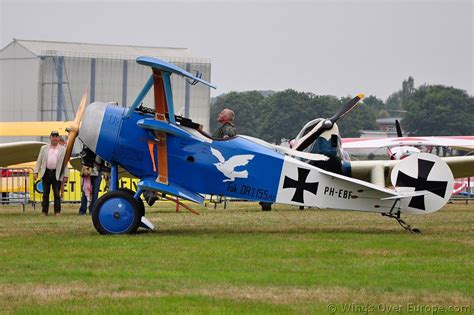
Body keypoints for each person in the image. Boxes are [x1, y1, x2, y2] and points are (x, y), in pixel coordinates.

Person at [34, 131, 69, 215]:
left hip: (57, 173)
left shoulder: (63, 149)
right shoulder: (43, 148)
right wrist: (36, 172)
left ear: (58, 138)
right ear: (50, 137)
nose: (54, 138)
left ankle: (57, 211)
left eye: (56, 136)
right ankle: (44, 212)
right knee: (45, 193)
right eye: (53, 136)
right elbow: (39, 161)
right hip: (46, 172)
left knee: (57, 194)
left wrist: (66, 175)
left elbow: (65, 163)